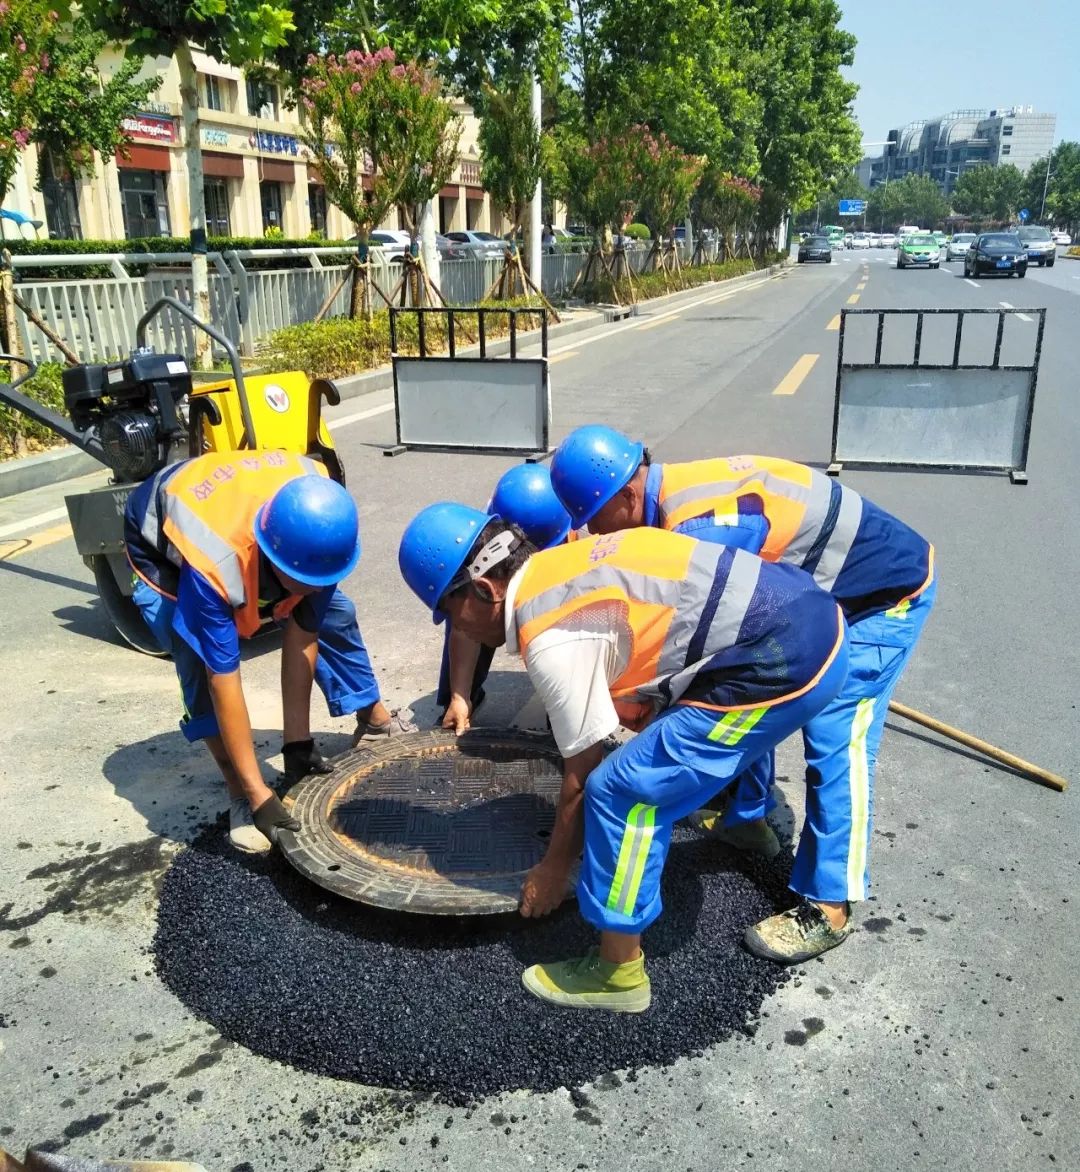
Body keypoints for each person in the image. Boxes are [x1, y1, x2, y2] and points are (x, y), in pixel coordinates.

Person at [399, 504, 849, 1012]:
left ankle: (618, 973)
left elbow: (582, 768)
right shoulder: (561, 565)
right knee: (656, 736)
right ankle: (745, 826)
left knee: (619, 791)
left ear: (485, 590)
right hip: (808, 615)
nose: (455, 628)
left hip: (782, 663)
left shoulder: (550, 639)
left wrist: (554, 867)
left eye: (449, 612)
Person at [549, 425, 936, 962]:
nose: (593, 531)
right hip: (812, 603)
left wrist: (643, 710)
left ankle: (830, 905)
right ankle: (747, 816)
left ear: (626, 494)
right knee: (746, 682)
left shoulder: (705, 526)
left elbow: (722, 638)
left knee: (835, 740)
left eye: (593, 517)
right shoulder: (667, 497)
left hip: (880, 597)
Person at [124, 449, 411, 854]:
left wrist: (297, 744)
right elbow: (222, 678)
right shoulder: (216, 564)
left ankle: (371, 719)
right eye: (300, 580)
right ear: (272, 553)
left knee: (334, 612)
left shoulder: (321, 523)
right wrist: (260, 793)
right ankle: (239, 791)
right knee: (193, 653)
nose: (311, 588)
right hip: (161, 535)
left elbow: (302, 636)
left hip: (253, 512)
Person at [437, 463, 573, 731]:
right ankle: (462, 702)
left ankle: (559, 723)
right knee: (469, 607)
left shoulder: (569, 551)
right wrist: (459, 696)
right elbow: (466, 624)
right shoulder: (492, 528)